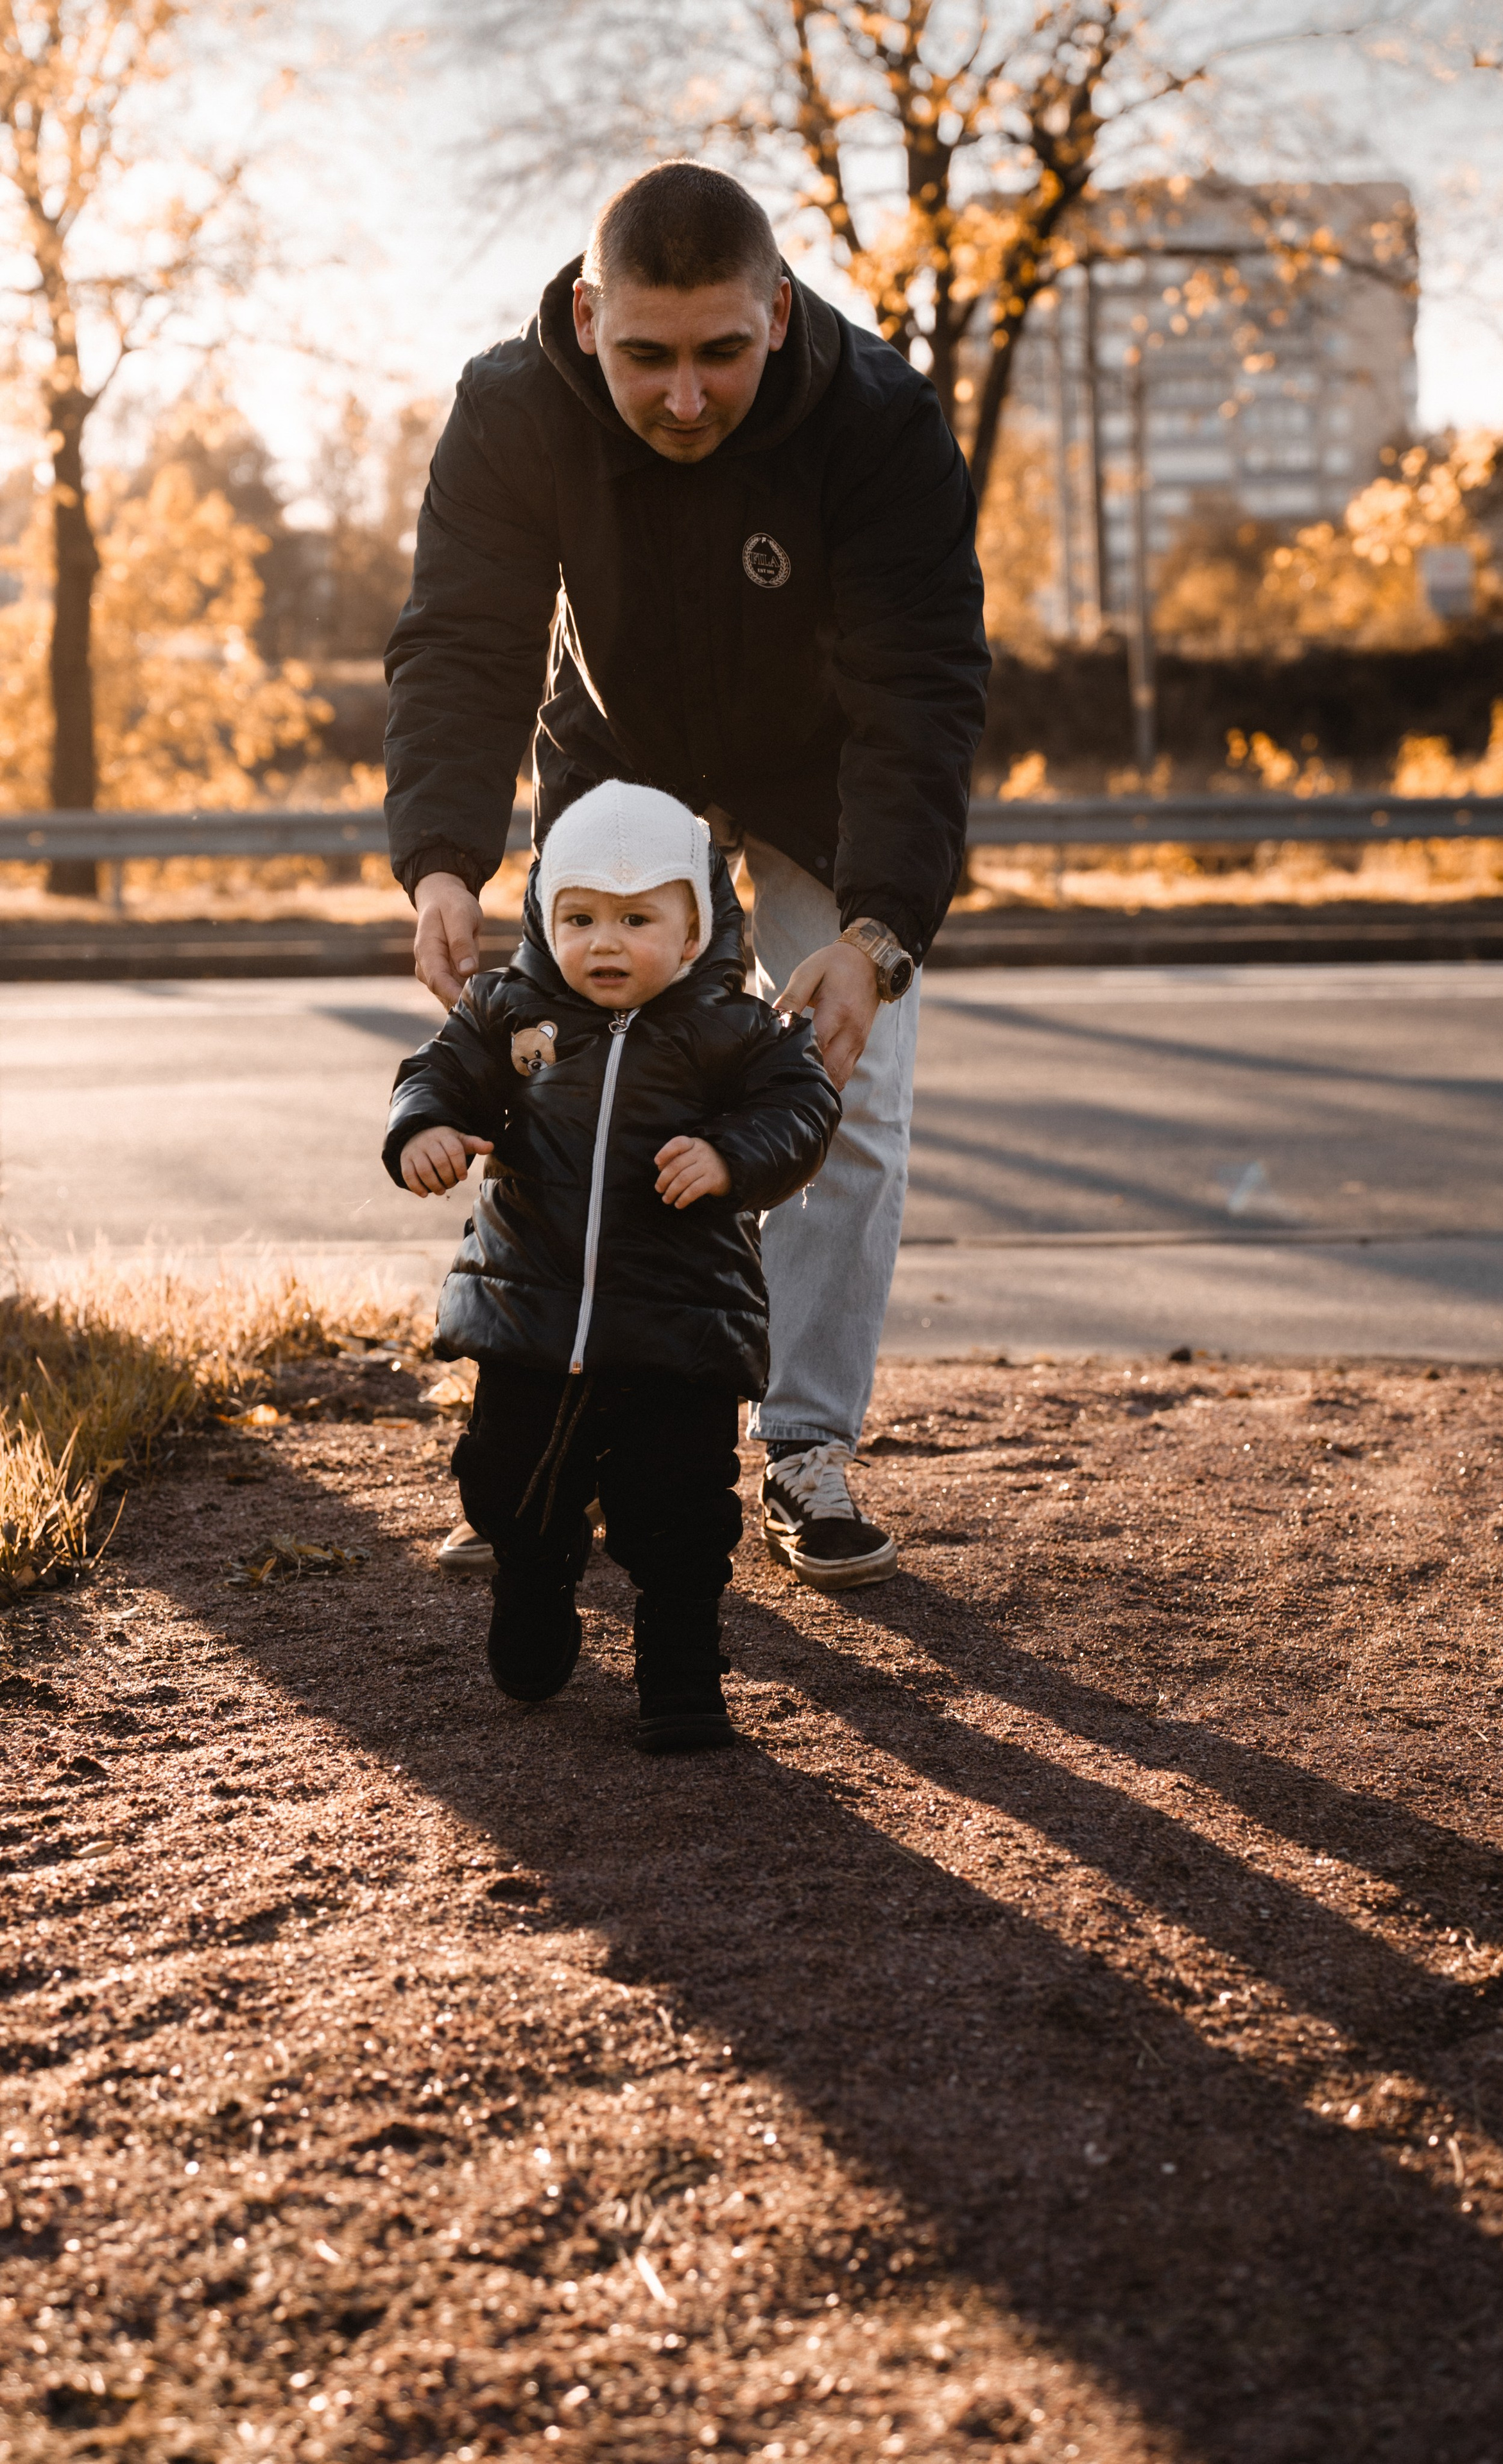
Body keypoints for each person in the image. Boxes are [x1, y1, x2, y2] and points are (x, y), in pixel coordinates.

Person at [384, 158, 989, 1589]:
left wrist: (877, 935)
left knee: (848, 1080)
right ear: (587, 318)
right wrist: (445, 864)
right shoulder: (512, 408)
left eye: (720, 351)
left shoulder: (881, 420)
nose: (683, 396)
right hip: (618, 757)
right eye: (645, 356)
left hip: (822, 774)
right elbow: (466, 638)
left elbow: (919, 691)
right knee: (571, 1086)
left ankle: (803, 1444)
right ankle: (561, 1433)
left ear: (776, 313)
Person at [382, 782, 839, 1750]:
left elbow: (802, 1109)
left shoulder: (737, 1031)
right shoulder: (508, 1012)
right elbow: (436, 1072)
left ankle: (681, 1670)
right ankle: (535, 1580)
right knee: (507, 1483)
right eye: (581, 917)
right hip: (530, 1320)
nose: (605, 942)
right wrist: (424, 1128)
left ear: (693, 928)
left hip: (679, 1325)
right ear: (546, 919)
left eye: (637, 920)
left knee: (678, 1512)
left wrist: (732, 1155)